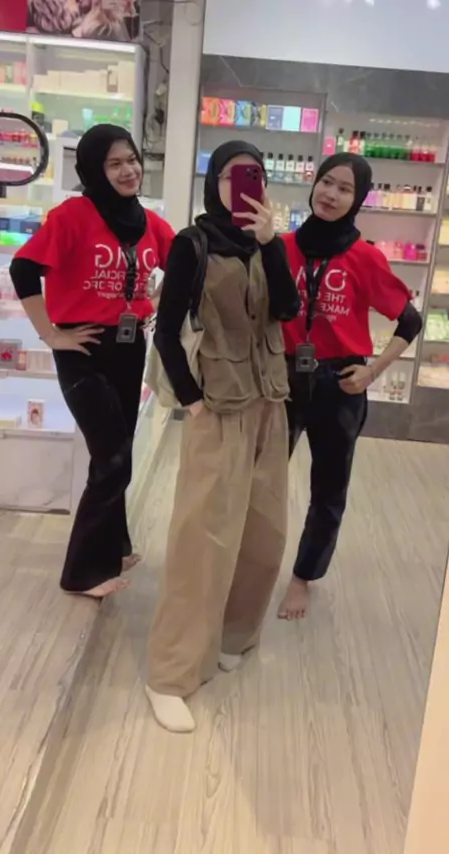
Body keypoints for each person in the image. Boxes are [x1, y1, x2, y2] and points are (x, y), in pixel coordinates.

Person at [145, 141, 301, 733]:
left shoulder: (267, 244)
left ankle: (235, 635)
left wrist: (271, 243)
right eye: (234, 176)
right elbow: (166, 331)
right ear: (215, 182)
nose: (244, 185)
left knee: (265, 531)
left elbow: (287, 309)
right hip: (217, 406)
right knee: (203, 541)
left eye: (254, 175)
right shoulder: (193, 243)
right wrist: (191, 402)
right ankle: (171, 673)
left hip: (270, 404)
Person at [10, 124, 174, 599]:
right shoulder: (73, 216)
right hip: (83, 351)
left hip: (129, 345)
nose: (128, 171)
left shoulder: (148, 222)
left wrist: (155, 300)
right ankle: (81, 572)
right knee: (112, 456)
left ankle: (115, 546)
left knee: (120, 450)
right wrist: (50, 334)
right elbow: (23, 268)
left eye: (132, 160)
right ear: (93, 171)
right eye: (114, 163)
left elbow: (185, 263)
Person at [278, 152, 422, 621]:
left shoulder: (365, 257)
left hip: (339, 384)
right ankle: (250, 565)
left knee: (329, 487)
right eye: (326, 182)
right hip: (282, 380)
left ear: (357, 199)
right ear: (313, 183)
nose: (331, 194)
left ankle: (303, 577)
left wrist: (372, 371)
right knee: (261, 481)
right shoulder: (281, 247)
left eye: (344, 189)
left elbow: (410, 320)